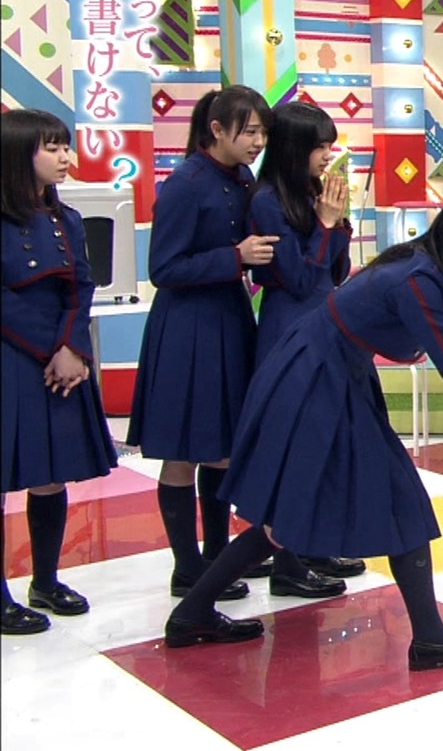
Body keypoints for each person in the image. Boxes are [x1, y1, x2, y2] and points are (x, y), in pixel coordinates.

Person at [163, 191, 443, 671]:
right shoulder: (417, 279)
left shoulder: (429, 271)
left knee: (287, 516)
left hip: (326, 374)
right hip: (316, 382)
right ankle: (430, 638)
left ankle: (192, 613)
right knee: (395, 500)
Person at [127, 86, 278, 601]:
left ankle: (218, 557)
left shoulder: (243, 179)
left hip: (229, 319)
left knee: (222, 449)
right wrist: (235, 257)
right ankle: (187, 567)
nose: (258, 142)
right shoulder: (184, 184)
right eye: (249, 131)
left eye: (263, 132)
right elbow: (163, 268)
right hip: (187, 327)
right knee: (183, 450)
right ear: (216, 129)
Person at [0, 109, 119, 634]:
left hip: (60, 358)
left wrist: (72, 347)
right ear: (18, 154)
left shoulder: (66, 217)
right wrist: (50, 348)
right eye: (52, 148)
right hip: (12, 355)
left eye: (65, 146)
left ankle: (45, 581)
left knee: (50, 473)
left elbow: (82, 286)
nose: (66, 157)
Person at [241, 99, 360, 596]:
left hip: (325, 324)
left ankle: (311, 544)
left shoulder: (313, 193)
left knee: (323, 438)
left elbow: (336, 271)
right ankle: (286, 563)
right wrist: (325, 225)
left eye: (330, 145)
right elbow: (296, 278)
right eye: (320, 146)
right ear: (294, 149)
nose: (328, 155)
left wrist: (338, 222)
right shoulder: (267, 201)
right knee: (291, 445)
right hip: (288, 329)